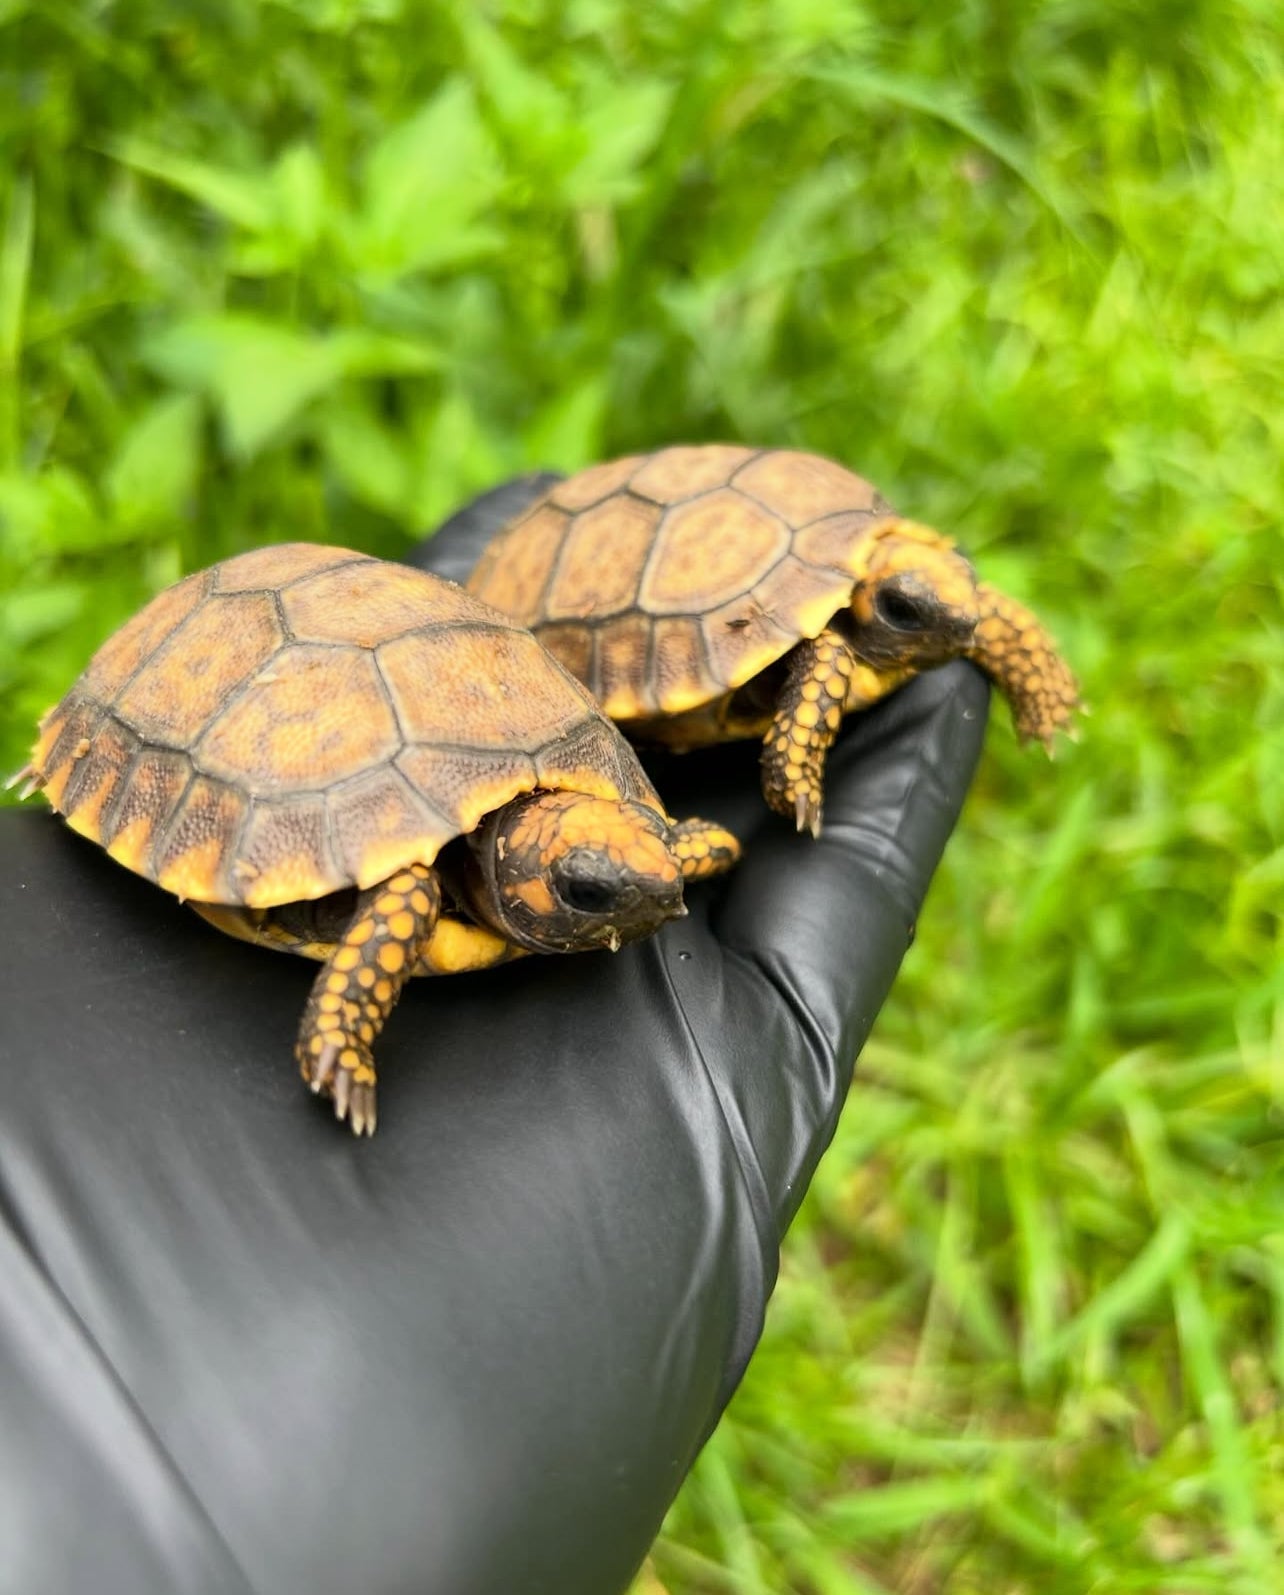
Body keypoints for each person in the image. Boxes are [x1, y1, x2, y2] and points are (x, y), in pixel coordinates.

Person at [0, 477, 989, 1595]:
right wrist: (348, 1028)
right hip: (225, 668)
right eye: (583, 892)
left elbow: (650, 858)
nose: (629, 909)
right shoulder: (421, 886)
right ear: (512, 878)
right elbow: (402, 893)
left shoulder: (604, 839)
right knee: (406, 892)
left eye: (621, 885)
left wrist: (660, 855)